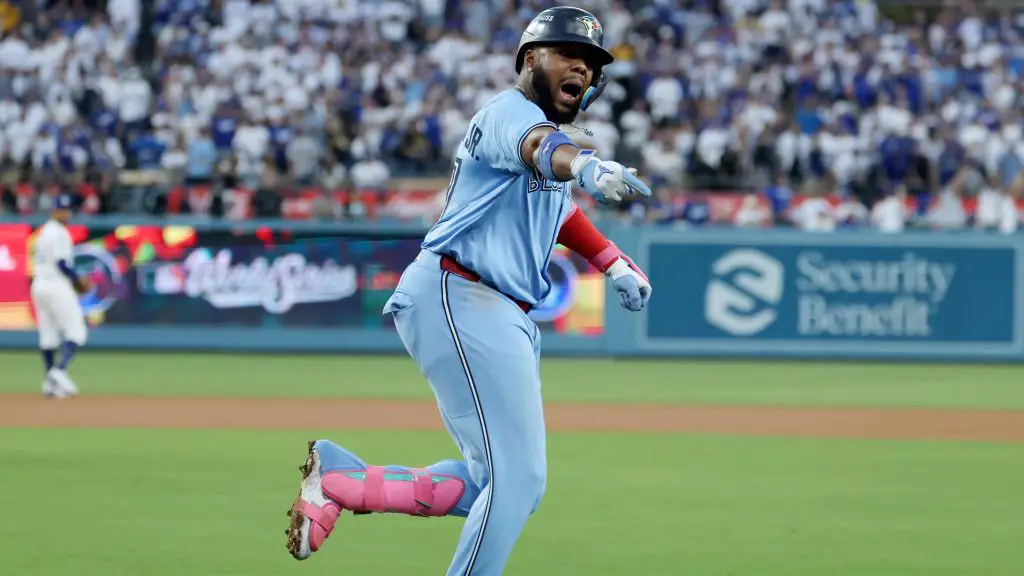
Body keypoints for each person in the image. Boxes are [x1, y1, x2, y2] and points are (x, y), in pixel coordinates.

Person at [283, 7, 653, 575]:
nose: (581, 68)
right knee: (519, 479)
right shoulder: (512, 113)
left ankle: (345, 482)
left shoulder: (553, 136)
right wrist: (584, 166)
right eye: (567, 55)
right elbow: (542, 151)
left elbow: (556, 210)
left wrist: (611, 261)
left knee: (494, 482)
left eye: (590, 62)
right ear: (532, 60)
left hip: (486, 305)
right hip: (463, 291)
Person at [30, 194, 92, 399]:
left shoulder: (44, 231)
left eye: (66, 209)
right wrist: (78, 280)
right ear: (54, 211)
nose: (65, 213)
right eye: (61, 210)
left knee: (48, 335)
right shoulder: (59, 232)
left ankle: (49, 383)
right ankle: (59, 370)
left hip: (39, 284)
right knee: (77, 331)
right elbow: (62, 264)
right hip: (56, 285)